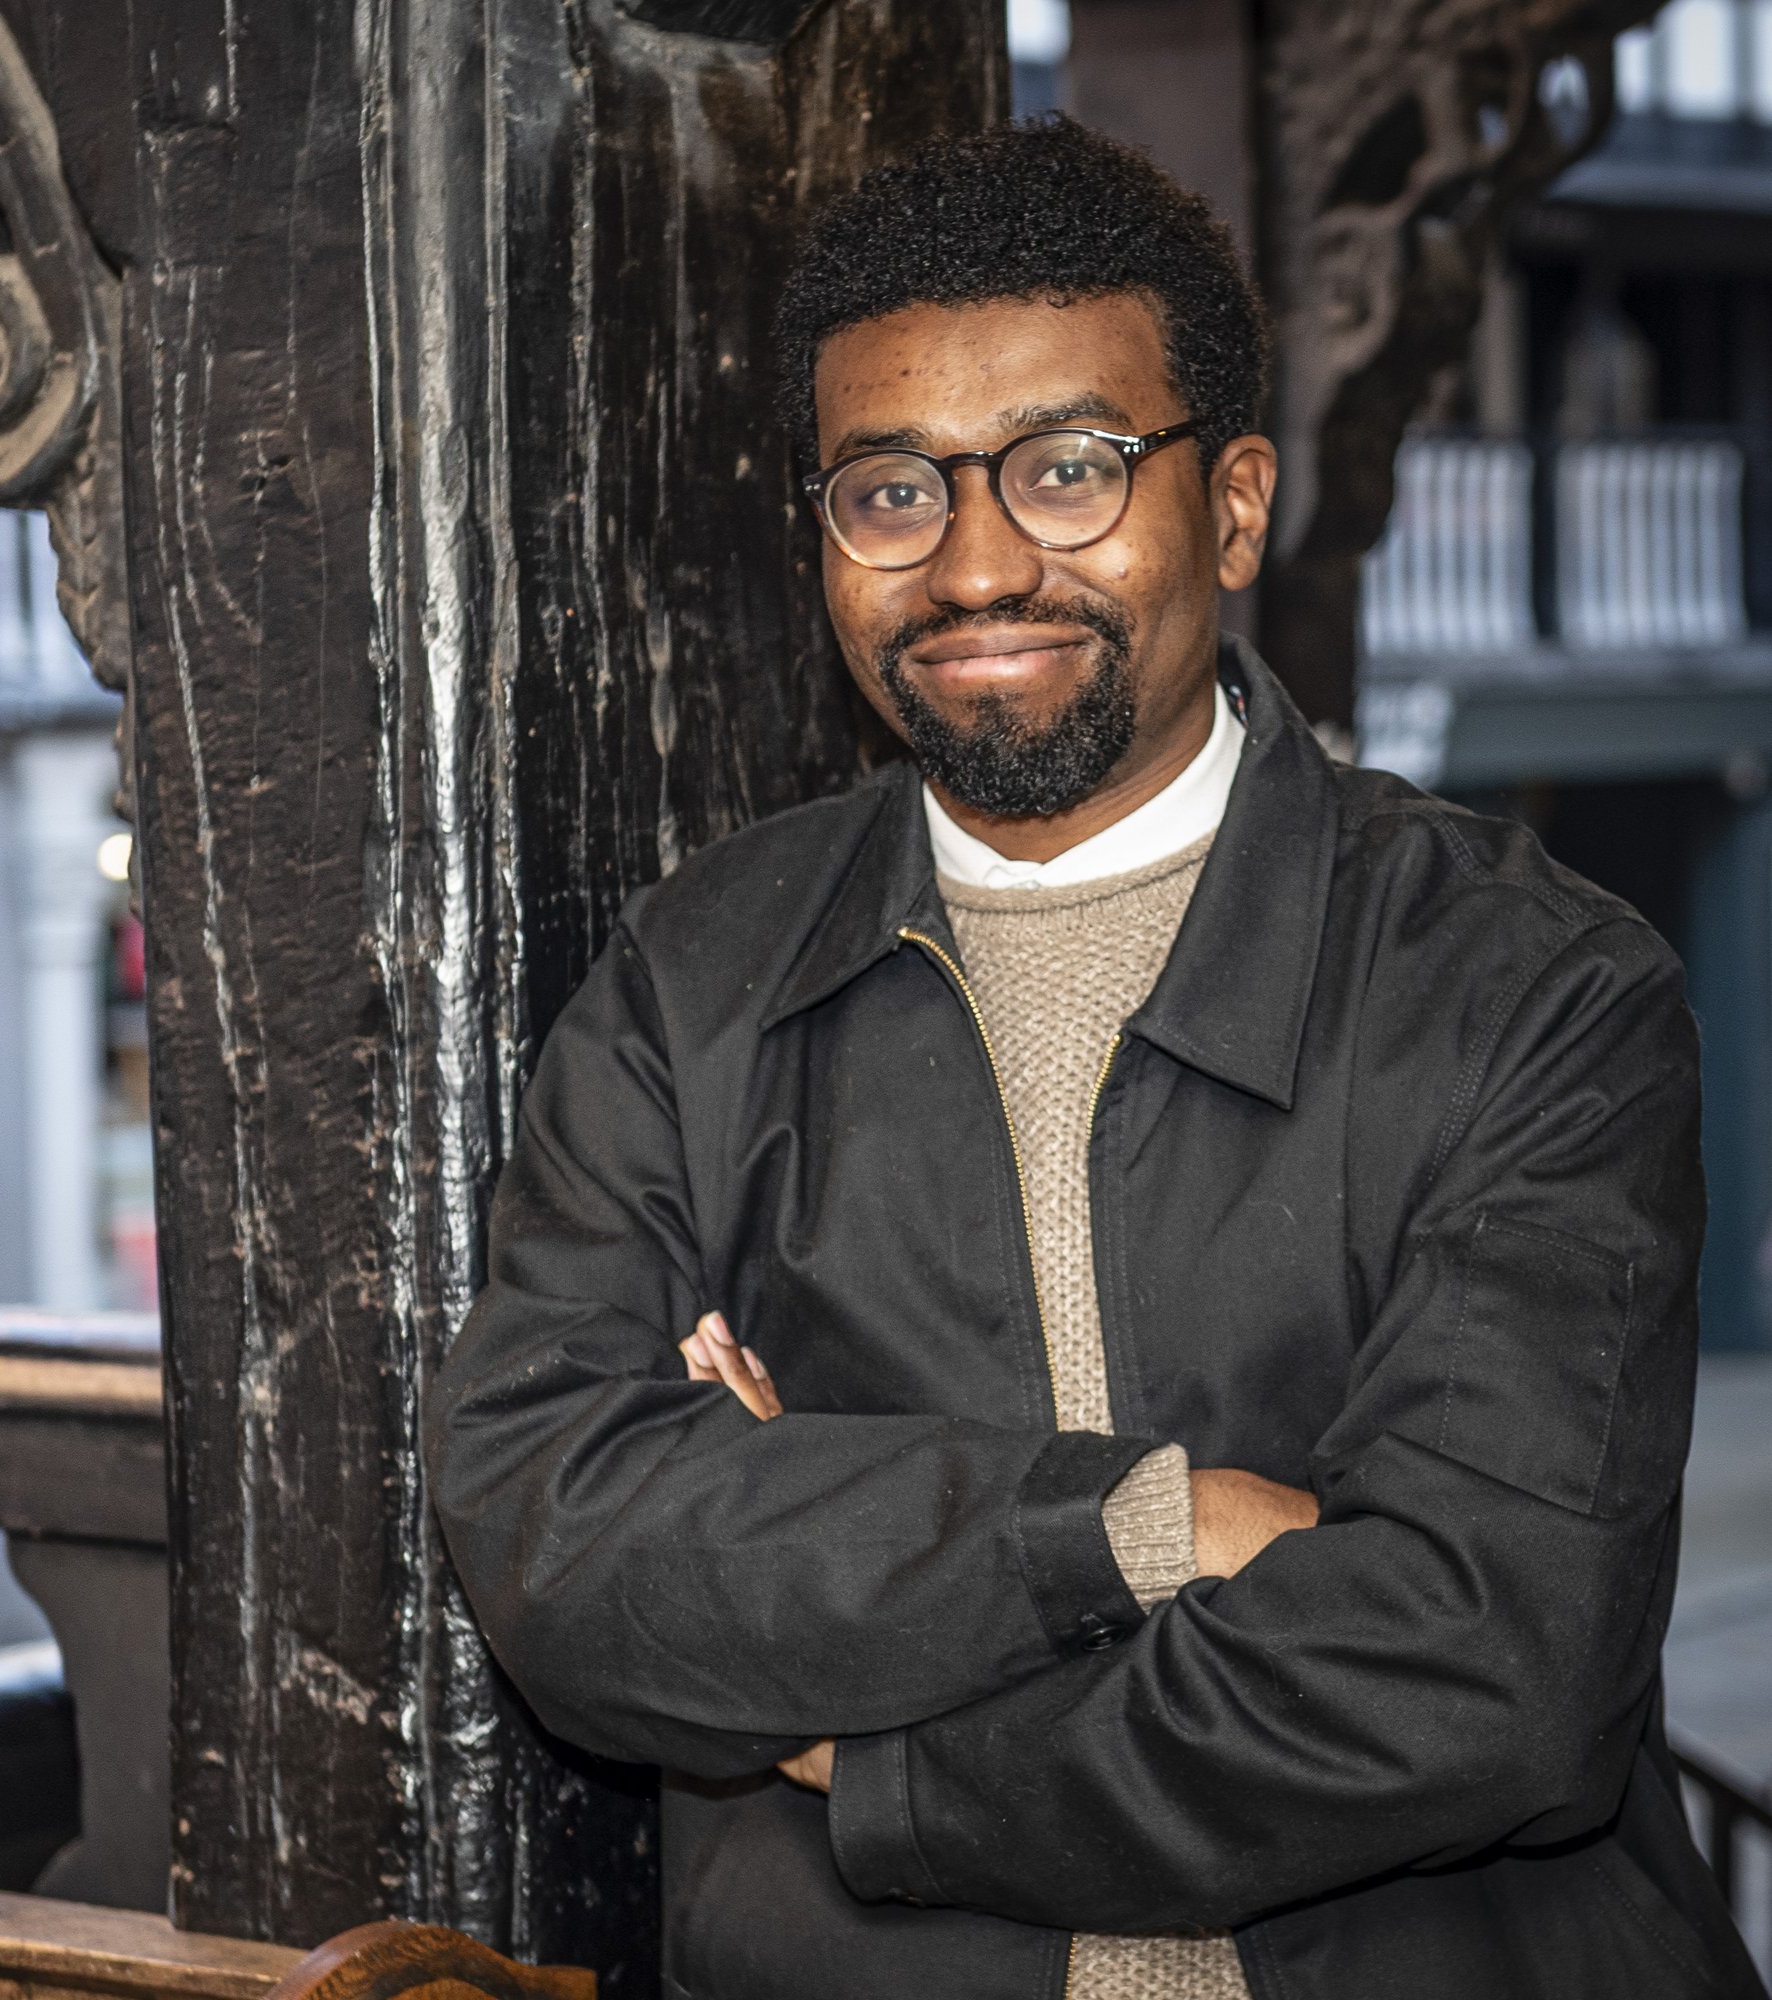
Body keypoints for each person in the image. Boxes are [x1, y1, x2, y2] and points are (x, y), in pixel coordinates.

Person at [425, 119, 1763, 1999]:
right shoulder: (691, 987)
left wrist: (873, 1754)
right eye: (892, 490)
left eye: (1070, 470)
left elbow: (1489, 1674)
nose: (976, 565)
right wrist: (1143, 1526)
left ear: (1235, 505)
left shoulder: (1528, 985)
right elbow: (558, 1544)